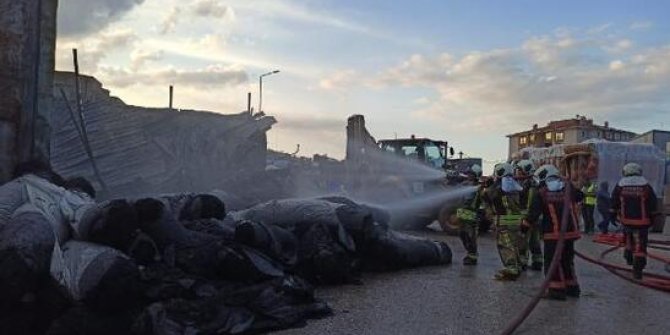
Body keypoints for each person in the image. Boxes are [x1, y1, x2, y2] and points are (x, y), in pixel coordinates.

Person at [524, 164, 582, 300]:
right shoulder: (568, 188)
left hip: (553, 234)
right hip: (570, 233)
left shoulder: (542, 192)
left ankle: (556, 290)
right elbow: (580, 196)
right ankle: (572, 288)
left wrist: (525, 226)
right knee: (567, 261)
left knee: (552, 262)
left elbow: (533, 213)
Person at [610, 162, 659, 279]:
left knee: (628, 240)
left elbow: (614, 202)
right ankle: (638, 269)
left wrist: (612, 216)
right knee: (640, 245)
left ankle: (629, 257)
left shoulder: (620, 185)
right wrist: (653, 218)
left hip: (626, 221)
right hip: (642, 222)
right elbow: (652, 203)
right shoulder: (646, 186)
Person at [486, 163, 524, 280]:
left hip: (504, 221)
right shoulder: (515, 185)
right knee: (514, 244)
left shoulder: (499, 187)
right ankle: (518, 265)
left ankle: (511, 268)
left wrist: (487, 187)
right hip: (516, 221)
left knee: (505, 244)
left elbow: (489, 195)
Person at [515, 160, 543, 271]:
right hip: (534, 217)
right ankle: (537, 261)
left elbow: (531, 203)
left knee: (522, 240)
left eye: (519, 170)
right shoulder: (533, 182)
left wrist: (527, 219)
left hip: (527, 217)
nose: (517, 173)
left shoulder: (529, 185)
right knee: (534, 241)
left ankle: (522, 262)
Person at [456, 164, 484, 265]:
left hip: (472, 216)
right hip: (461, 215)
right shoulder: (464, 184)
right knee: (462, 234)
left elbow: (483, 202)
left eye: (470, 174)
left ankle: (472, 256)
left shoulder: (479, 188)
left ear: (476, 175)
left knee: (470, 236)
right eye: (468, 174)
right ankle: (469, 253)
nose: (468, 175)